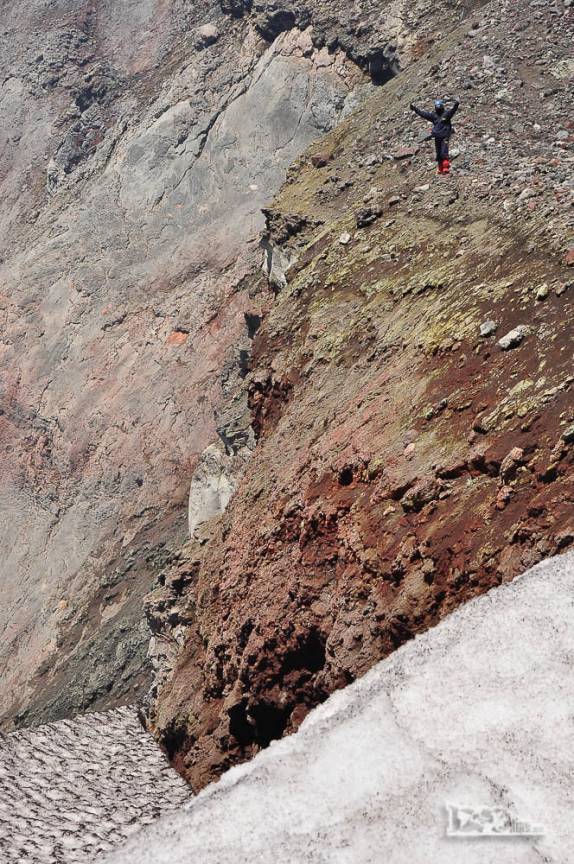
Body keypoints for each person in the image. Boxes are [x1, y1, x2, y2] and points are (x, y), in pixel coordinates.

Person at [409, 97, 460, 175]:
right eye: (437, 107)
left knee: (443, 151)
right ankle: (441, 168)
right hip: (438, 136)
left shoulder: (445, 114)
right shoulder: (435, 115)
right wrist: (415, 109)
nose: (438, 109)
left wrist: (456, 104)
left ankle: (444, 167)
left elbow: (453, 110)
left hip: (443, 135)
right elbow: (423, 114)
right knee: (440, 152)